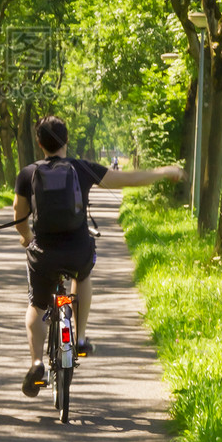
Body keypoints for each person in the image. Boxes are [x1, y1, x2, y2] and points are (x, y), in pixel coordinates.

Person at [13, 115, 182, 398]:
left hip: (44, 252)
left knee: (37, 306)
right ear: (66, 140)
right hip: (77, 249)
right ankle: (79, 338)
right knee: (83, 274)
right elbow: (128, 179)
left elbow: (19, 216)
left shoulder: (27, 173)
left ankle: (37, 362)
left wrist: (26, 238)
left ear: (40, 143)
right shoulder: (82, 169)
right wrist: (163, 172)